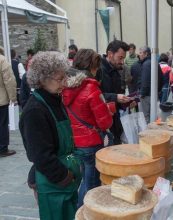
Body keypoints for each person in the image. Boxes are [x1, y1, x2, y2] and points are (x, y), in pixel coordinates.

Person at [19, 51, 81, 220]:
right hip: (53, 182)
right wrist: (64, 177)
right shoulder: (35, 111)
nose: (65, 83)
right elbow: (40, 155)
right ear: (42, 79)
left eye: (65, 77)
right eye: (60, 79)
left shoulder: (55, 100)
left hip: (66, 179)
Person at [62, 49, 113, 207]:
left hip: (75, 141)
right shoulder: (91, 88)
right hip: (91, 142)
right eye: (96, 67)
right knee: (90, 185)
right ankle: (82, 212)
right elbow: (105, 123)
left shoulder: (64, 87)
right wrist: (109, 109)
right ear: (92, 67)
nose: (97, 70)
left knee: (84, 179)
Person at [97, 40, 131, 144]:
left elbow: (116, 94)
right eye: (120, 58)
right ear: (110, 54)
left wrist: (125, 102)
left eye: (123, 58)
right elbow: (95, 96)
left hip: (114, 121)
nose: (122, 62)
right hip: (104, 125)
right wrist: (115, 97)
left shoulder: (115, 70)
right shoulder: (99, 71)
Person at [139, 46, 163, 123]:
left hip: (146, 95)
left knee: (146, 116)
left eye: (140, 52)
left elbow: (145, 80)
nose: (139, 54)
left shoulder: (146, 64)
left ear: (146, 54)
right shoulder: (155, 62)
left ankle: (148, 133)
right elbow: (162, 78)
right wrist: (158, 90)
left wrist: (142, 93)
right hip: (154, 93)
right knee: (154, 116)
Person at [0, 54, 17, 157]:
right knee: (2, 123)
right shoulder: (2, 60)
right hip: (1, 98)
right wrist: (13, 97)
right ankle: (2, 148)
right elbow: (9, 80)